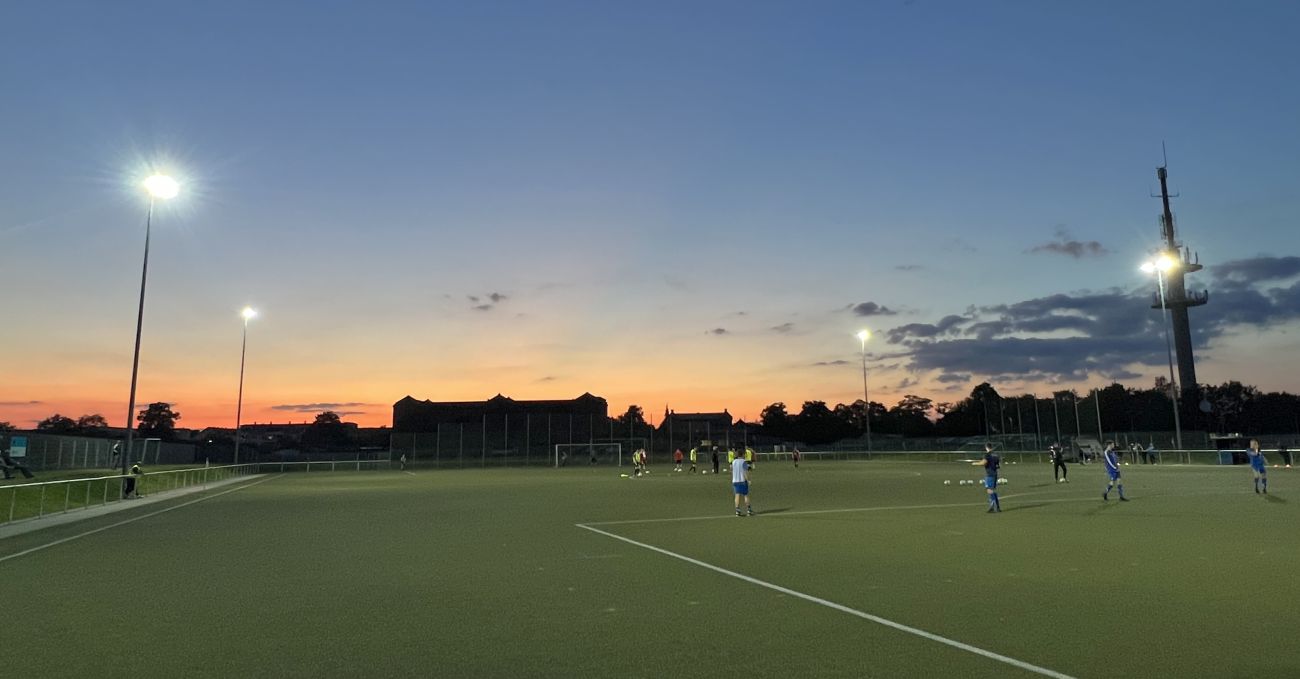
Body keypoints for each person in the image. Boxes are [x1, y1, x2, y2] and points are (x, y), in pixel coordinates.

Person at [970, 443, 1001, 513]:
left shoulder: (987, 454)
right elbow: (998, 465)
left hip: (990, 474)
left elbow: (984, 463)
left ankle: (994, 507)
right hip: (995, 473)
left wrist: (975, 463)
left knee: (989, 490)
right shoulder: (996, 455)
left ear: (986, 447)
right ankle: (996, 507)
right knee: (991, 490)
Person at [731, 451, 753, 516]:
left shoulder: (733, 462)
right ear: (742, 454)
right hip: (742, 481)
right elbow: (745, 472)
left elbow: (732, 471)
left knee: (737, 495)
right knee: (745, 495)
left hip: (735, 481)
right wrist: (748, 480)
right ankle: (749, 510)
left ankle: (737, 510)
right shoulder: (744, 462)